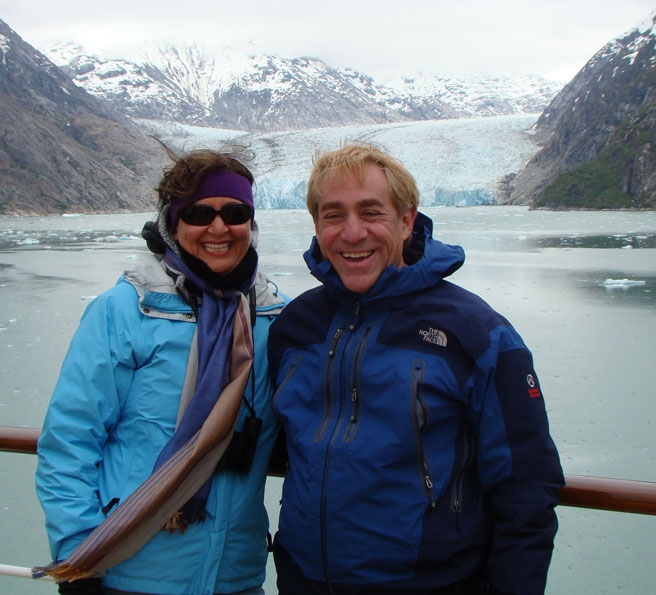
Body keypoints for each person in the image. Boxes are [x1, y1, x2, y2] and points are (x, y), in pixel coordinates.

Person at [267, 143, 564, 594]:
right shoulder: (296, 326)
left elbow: (527, 489)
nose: (352, 233)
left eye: (371, 212)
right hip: (302, 581)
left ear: (406, 221)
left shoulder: (476, 334)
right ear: (316, 224)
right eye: (333, 215)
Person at [35, 144, 286, 595]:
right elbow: (70, 441)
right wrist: (79, 560)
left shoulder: (272, 319)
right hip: (129, 571)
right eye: (197, 214)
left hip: (236, 578)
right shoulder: (126, 311)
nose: (218, 227)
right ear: (172, 224)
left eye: (234, 212)